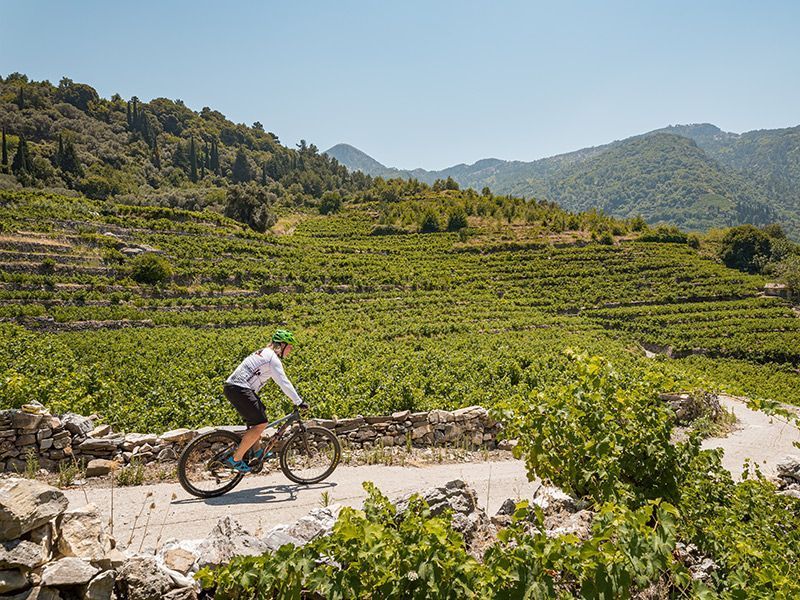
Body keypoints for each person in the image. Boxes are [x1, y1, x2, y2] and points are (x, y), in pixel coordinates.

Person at [223, 329, 308, 473]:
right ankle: (236, 459)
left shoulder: (263, 352)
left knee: (257, 420)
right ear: (282, 345)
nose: (290, 350)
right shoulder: (272, 359)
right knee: (261, 423)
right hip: (239, 389)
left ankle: (257, 452)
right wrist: (298, 401)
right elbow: (284, 382)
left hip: (234, 387)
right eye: (289, 347)